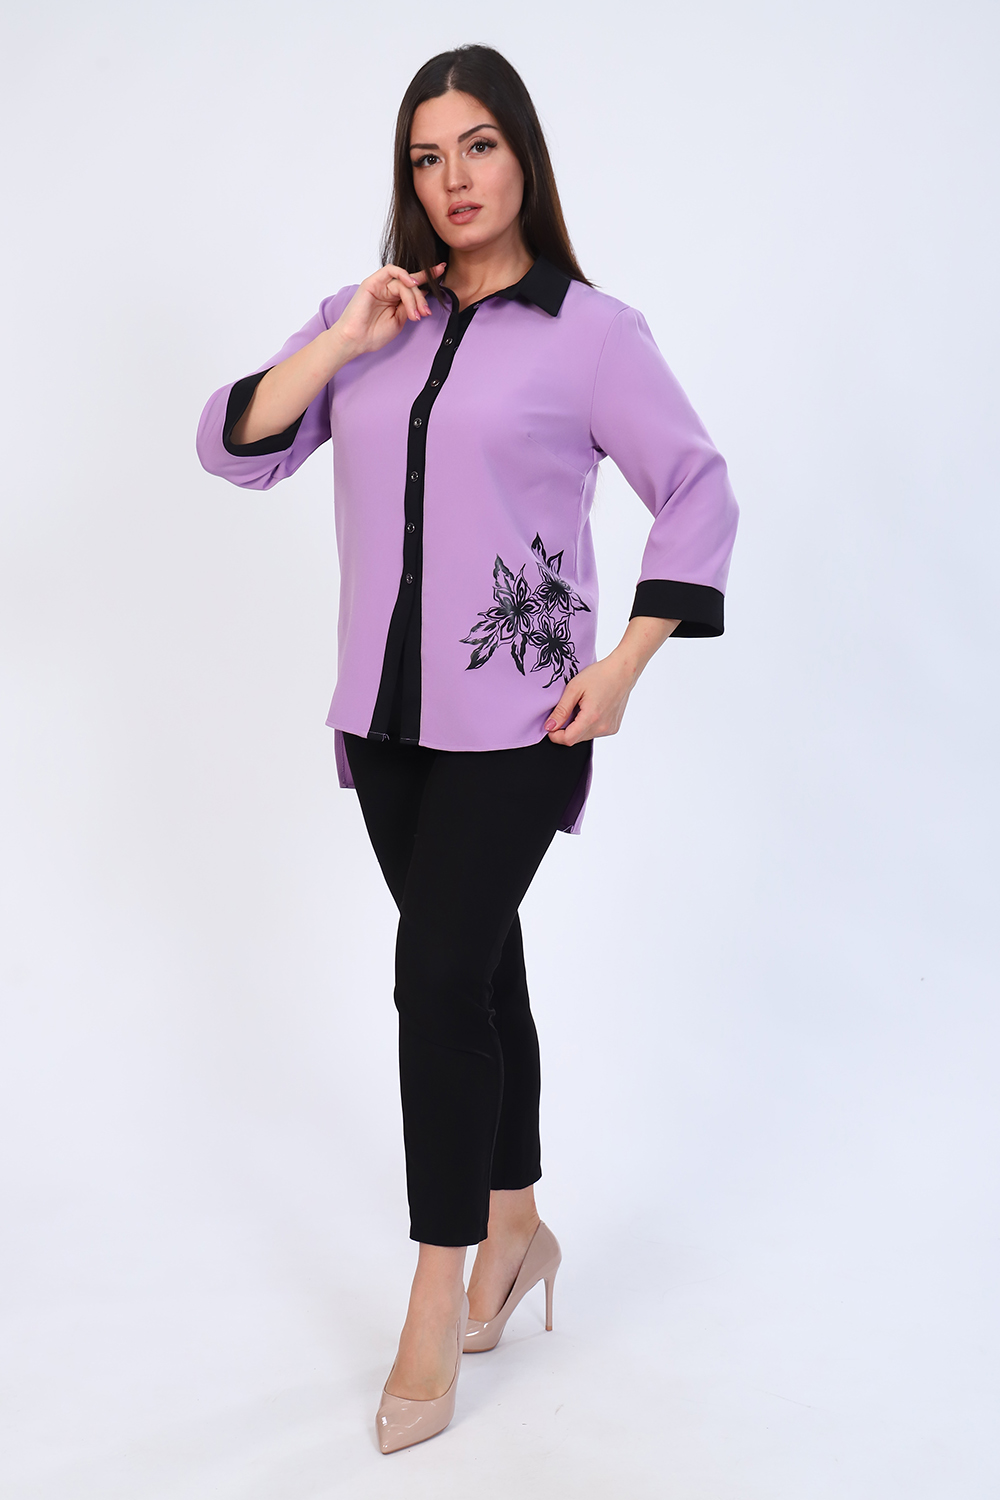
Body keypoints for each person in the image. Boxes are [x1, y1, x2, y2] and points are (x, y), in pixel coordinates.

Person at [197, 43, 738, 1454]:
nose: (454, 179)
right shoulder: (370, 316)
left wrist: (626, 666)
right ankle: (518, 1225)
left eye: (478, 146)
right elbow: (234, 444)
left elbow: (696, 488)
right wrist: (343, 341)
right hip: (383, 721)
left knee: (434, 978)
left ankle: (437, 1287)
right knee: (479, 969)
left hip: (522, 717)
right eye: (427, 156)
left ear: (524, 158)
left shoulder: (592, 334)